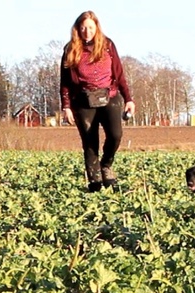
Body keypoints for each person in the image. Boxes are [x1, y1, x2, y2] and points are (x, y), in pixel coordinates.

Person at [60, 11, 136, 192]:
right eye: (83, 27)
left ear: (97, 28)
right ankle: (94, 183)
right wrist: (66, 106)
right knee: (90, 143)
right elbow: (65, 82)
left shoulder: (107, 45)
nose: (87, 31)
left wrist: (129, 99)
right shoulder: (70, 49)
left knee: (116, 135)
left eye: (91, 28)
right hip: (83, 100)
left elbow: (119, 74)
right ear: (77, 29)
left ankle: (106, 166)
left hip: (109, 96)